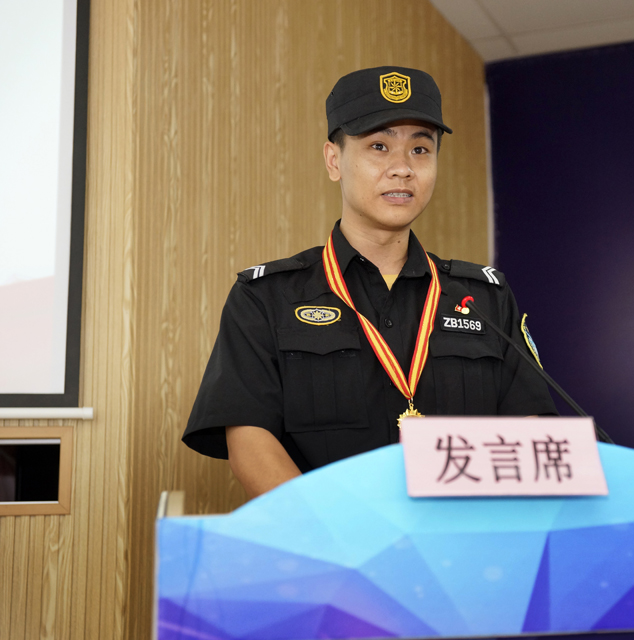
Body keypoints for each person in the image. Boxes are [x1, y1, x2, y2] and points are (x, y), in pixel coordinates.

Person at [183, 66, 557, 498]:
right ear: (334, 160)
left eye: (421, 149)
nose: (403, 168)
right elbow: (249, 440)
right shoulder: (266, 297)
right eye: (379, 146)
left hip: (462, 534)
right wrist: (331, 530)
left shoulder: (484, 299)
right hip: (328, 535)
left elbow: (529, 430)